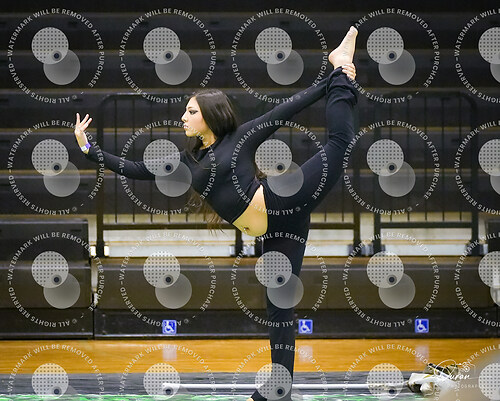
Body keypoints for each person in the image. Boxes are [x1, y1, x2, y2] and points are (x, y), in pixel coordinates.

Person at [75, 26, 358, 401]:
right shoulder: (185, 160)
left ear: (209, 115)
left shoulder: (239, 138)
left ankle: (343, 68)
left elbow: (287, 109)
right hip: (277, 231)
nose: (183, 117)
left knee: (339, 142)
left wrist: (334, 78)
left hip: (285, 199)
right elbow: (136, 168)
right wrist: (89, 150)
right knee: (279, 307)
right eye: (185, 111)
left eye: (191, 111)